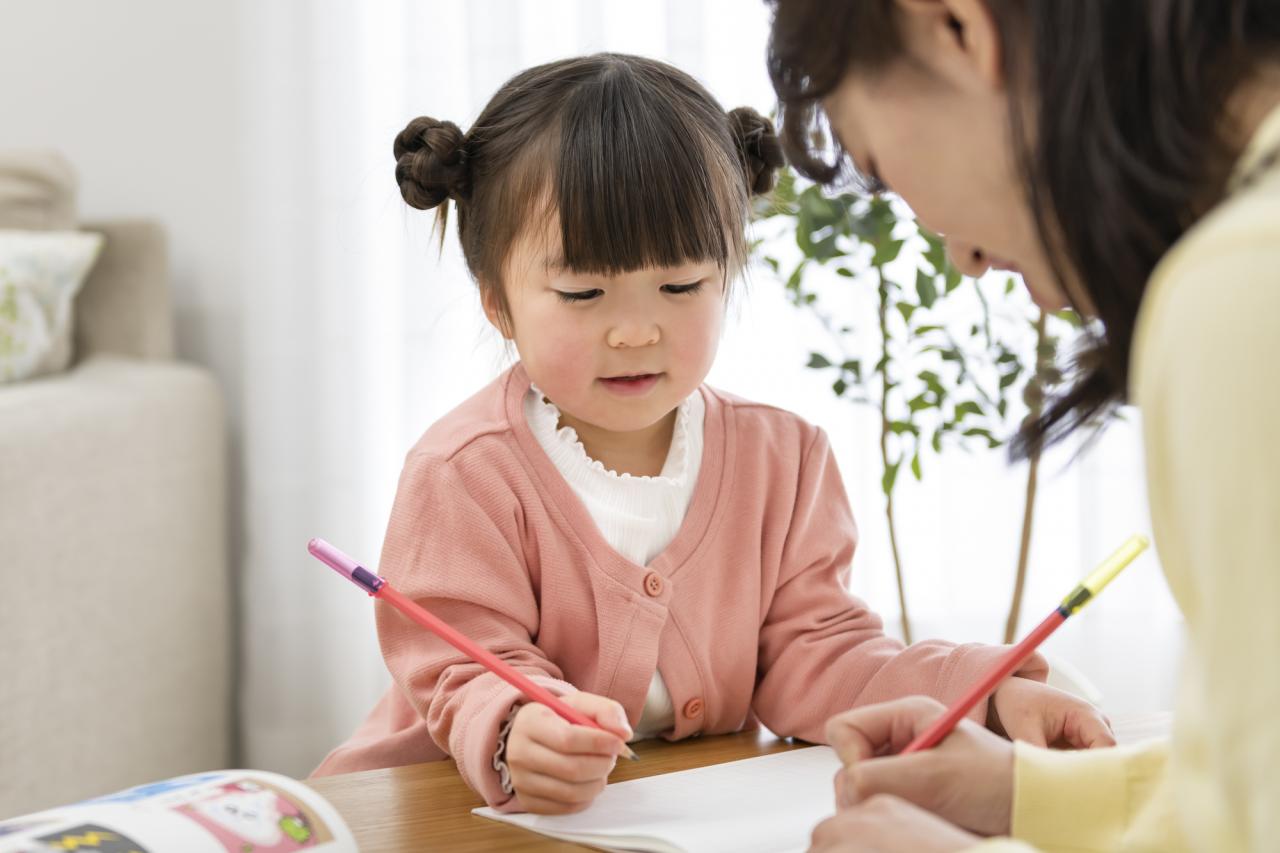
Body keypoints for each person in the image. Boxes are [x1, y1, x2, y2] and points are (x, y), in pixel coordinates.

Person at [311, 52, 1109, 815]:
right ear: (496, 301)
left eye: (682, 284)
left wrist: (986, 698)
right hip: (436, 811)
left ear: (728, 272)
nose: (634, 331)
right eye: (584, 292)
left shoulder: (784, 459)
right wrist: (520, 726)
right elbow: (460, 664)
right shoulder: (463, 472)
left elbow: (818, 653)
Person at [765, 1, 1280, 850]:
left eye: (884, 168)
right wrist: (1032, 797)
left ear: (954, 26)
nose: (958, 256)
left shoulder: (1240, 291)